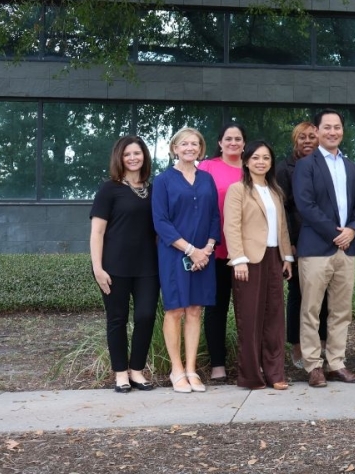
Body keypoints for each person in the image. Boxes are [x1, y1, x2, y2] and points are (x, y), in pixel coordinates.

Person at [294, 109, 355, 387]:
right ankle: (313, 365)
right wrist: (336, 233)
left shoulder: (351, 167)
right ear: (317, 130)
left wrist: (353, 230)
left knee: (341, 311)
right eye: (327, 127)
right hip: (316, 249)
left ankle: (336, 363)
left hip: (345, 250)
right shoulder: (306, 165)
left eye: (337, 127)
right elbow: (305, 205)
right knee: (311, 310)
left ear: (342, 131)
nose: (333, 132)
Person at [152, 127, 221, 394]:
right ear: (175, 148)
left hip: (204, 255)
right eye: (184, 144)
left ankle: (191, 370)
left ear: (201, 149)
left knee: (195, 310)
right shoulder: (163, 180)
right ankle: (177, 370)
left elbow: (214, 216)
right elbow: (161, 222)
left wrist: (207, 249)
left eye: (195, 144)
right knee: (176, 310)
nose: (190, 148)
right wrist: (191, 250)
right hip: (174, 255)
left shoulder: (207, 179)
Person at [89, 135, 159, 393]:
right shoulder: (109, 189)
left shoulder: (154, 190)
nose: (132, 158)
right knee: (117, 319)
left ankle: (137, 370)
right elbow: (97, 232)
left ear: (144, 156)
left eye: (137, 153)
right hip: (113, 267)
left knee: (146, 316)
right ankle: (120, 373)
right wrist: (97, 268)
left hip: (148, 267)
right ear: (119, 158)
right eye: (127, 154)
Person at [224, 140, 294, 390]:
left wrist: (287, 257)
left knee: (274, 318)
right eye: (255, 158)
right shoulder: (237, 190)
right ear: (246, 161)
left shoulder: (275, 191)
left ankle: (275, 374)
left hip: (274, 258)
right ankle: (251, 376)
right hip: (249, 261)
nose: (261, 162)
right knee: (250, 318)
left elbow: (282, 227)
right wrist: (238, 259)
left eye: (266, 158)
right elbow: (231, 226)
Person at [198, 121, 246, 383]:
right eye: (228, 138)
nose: (233, 143)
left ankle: (248, 363)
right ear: (220, 142)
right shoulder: (207, 167)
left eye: (238, 139)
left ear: (244, 143)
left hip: (246, 252)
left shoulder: (252, 167)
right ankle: (218, 364)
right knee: (216, 308)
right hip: (215, 248)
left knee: (247, 310)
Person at [274, 121, 324, 369]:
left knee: (325, 296)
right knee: (298, 295)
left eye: (312, 137)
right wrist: (289, 244)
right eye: (302, 137)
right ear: (295, 140)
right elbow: (281, 208)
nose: (307, 141)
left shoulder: (325, 164)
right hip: (297, 240)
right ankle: (297, 345)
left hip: (324, 239)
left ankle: (321, 345)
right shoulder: (284, 168)